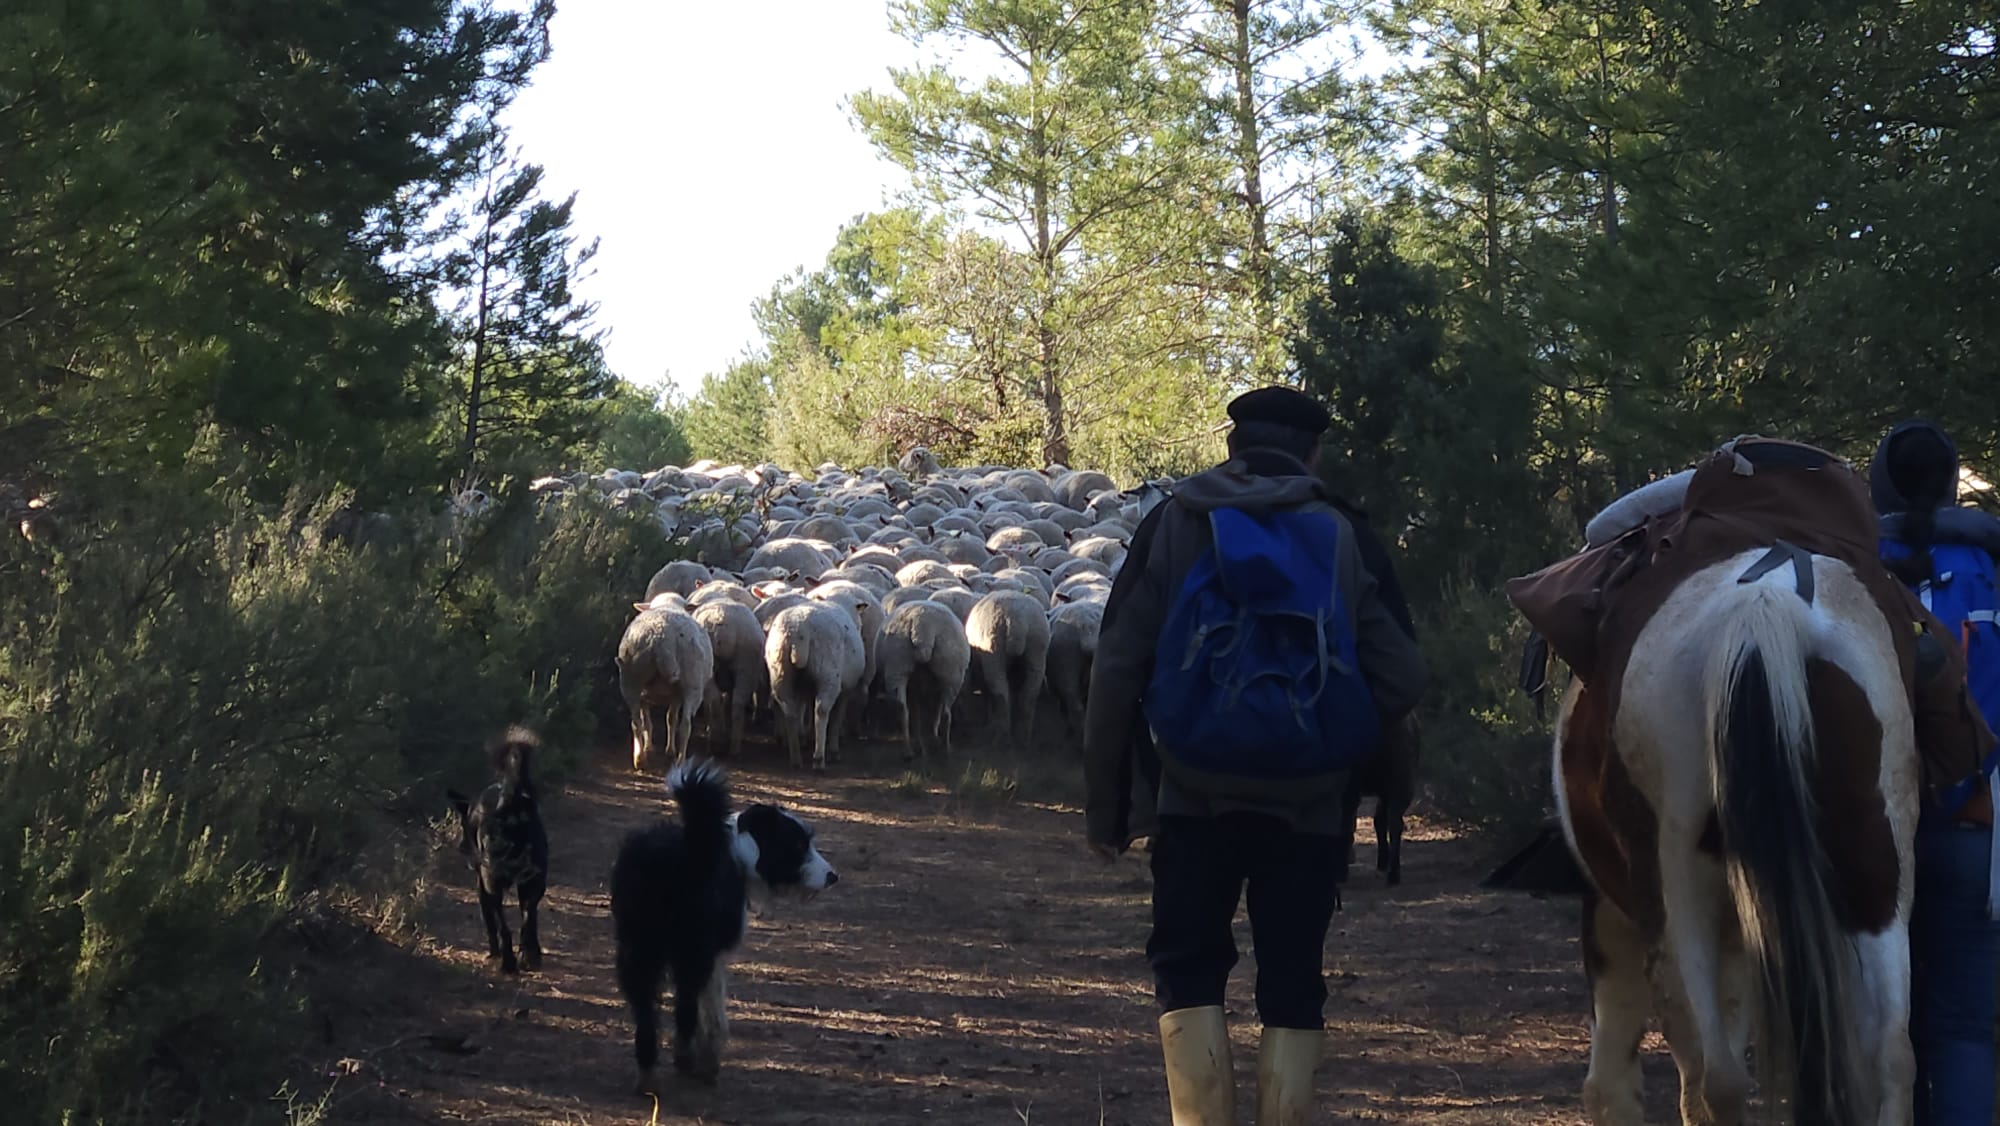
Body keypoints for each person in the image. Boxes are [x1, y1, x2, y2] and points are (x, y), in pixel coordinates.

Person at [1083, 385, 1429, 1126]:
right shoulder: (1343, 533)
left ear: (1231, 447)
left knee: (1187, 968)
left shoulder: (1174, 525)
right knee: (1294, 979)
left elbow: (1115, 671)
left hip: (1191, 794)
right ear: (1312, 453)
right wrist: (1336, 741)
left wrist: (1109, 808)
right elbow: (1402, 674)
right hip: (1308, 803)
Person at [1870, 420, 2000, 1126]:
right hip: (1975, 821)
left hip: (1869, 831)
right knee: (1962, 1030)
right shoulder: (1993, 565)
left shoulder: (1847, 572)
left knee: (1873, 1025)